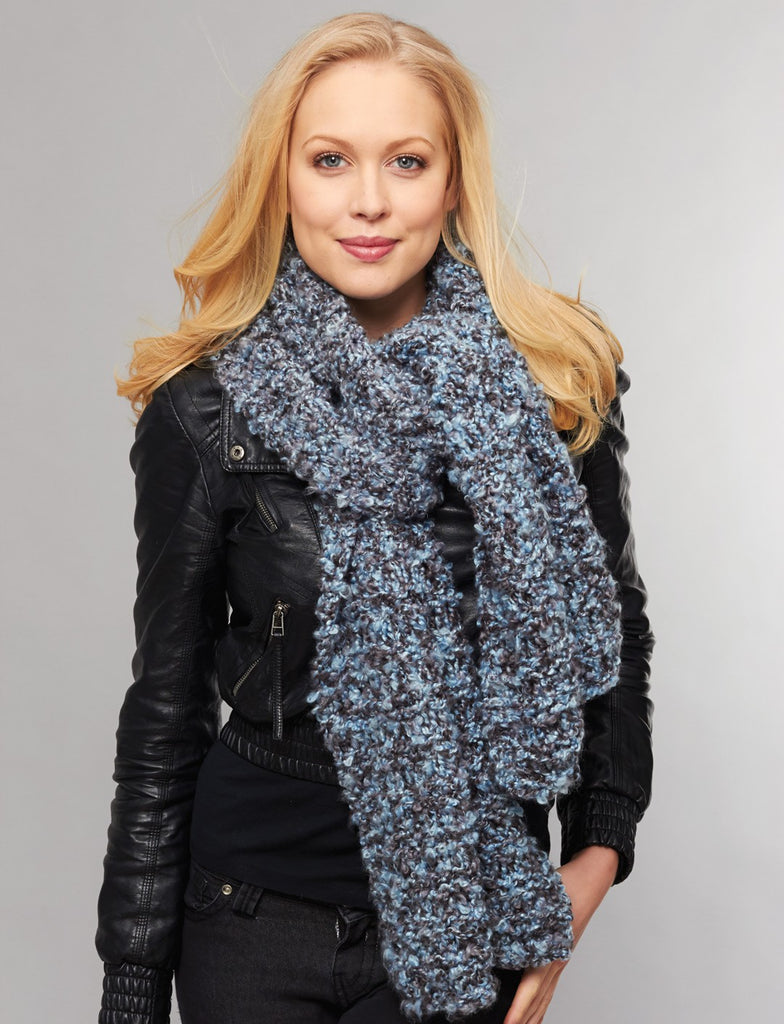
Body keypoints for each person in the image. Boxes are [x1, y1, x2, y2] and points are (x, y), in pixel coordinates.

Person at [96, 12, 653, 1024]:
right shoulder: (206, 409)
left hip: (475, 915)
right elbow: (164, 713)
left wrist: (594, 856)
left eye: (406, 160)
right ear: (282, 180)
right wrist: (131, 986)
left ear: (452, 182)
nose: (368, 201)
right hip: (247, 919)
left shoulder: (553, 386)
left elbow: (611, 636)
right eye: (329, 160)